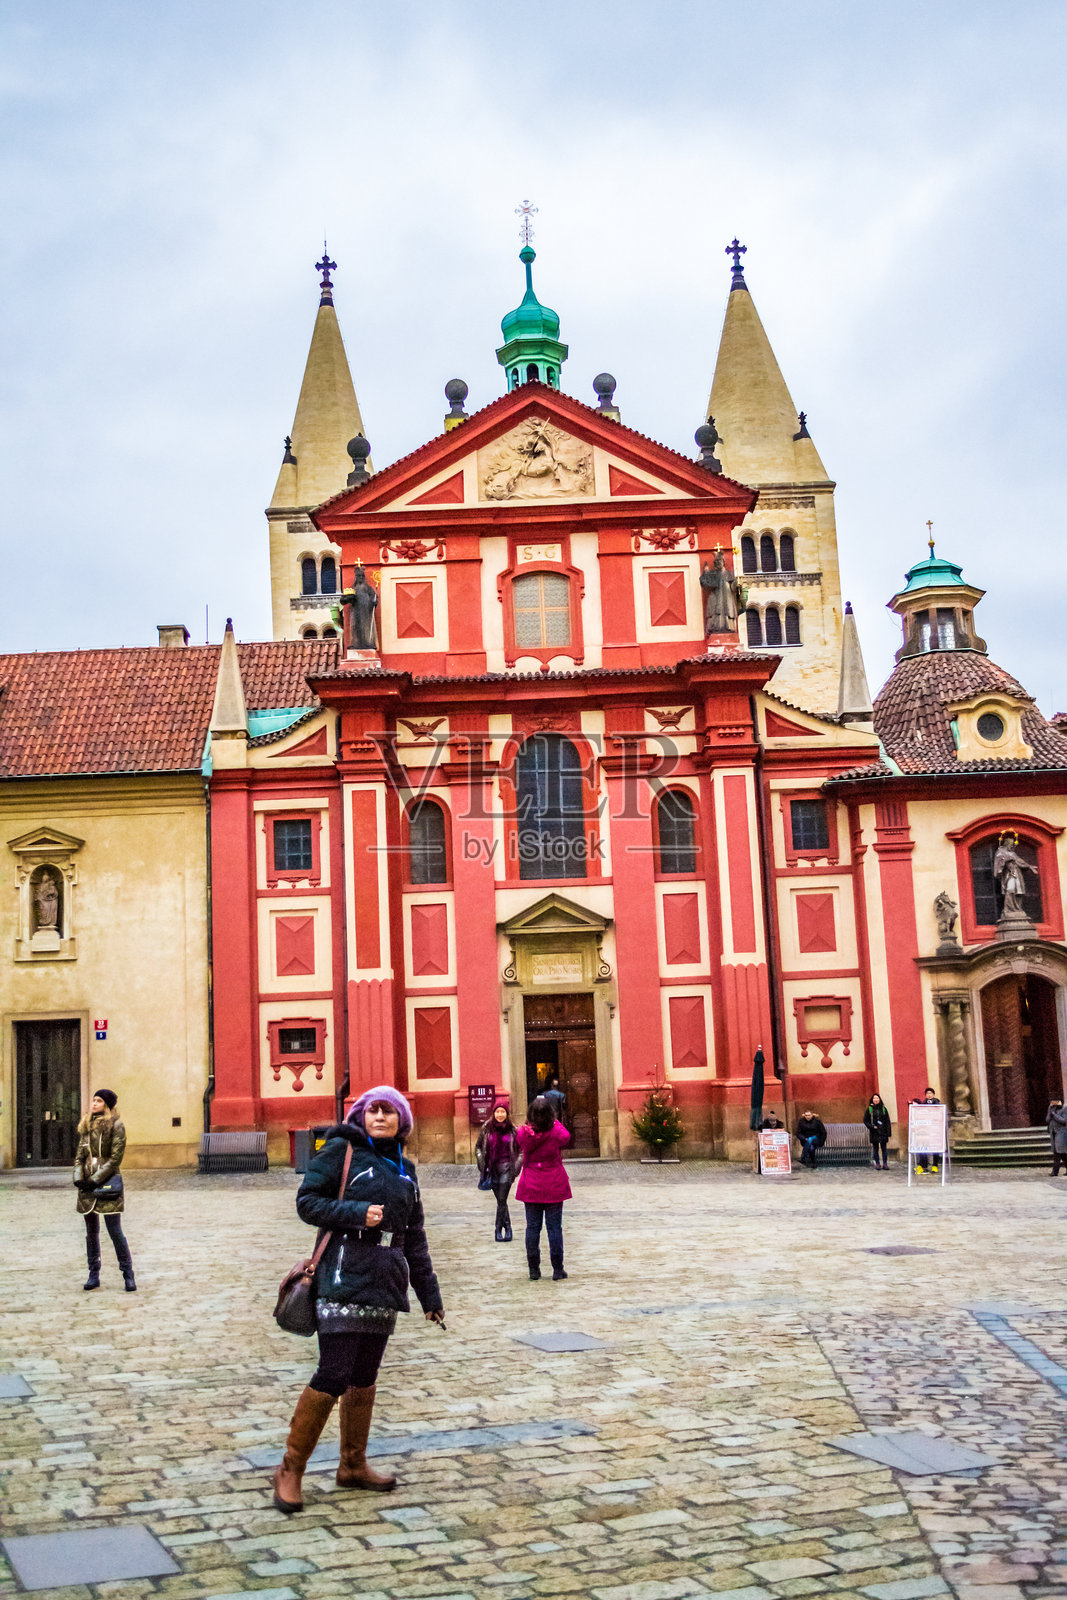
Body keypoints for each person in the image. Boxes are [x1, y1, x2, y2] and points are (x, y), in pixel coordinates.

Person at [273, 1085, 444, 1515]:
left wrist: (429, 1295)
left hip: (384, 1281)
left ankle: (352, 1464)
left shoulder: (406, 1169)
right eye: (373, 1110)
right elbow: (307, 1202)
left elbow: (415, 1237)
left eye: (389, 1111)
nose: (380, 1117)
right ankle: (291, 1468)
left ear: (401, 1121)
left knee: (364, 1375)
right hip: (340, 1273)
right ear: (361, 1116)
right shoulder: (340, 1152)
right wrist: (356, 1213)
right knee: (332, 1372)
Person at [74, 1090, 135, 1292]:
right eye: (93, 1100)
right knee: (91, 1233)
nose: (94, 1103)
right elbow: (79, 1157)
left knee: (114, 1230)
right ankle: (93, 1275)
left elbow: (115, 1158)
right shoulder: (86, 1126)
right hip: (87, 1186)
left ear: (107, 1104)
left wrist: (96, 1179)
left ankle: (128, 1274)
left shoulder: (117, 1126)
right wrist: (78, 1178)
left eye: (99, 1101)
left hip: (107, 1183)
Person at [515, 1096, 571, 1281]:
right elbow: (566, 1137)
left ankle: (534, 1270)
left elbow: (519, 1141)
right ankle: (557, 1269)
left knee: (532, 1228)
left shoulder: (523, 1133)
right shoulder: (555, 1132)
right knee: (554, 1228)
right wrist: (554, 1121)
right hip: (554, 1184)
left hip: (531, 1184)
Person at [475, 1100, 520, 1241]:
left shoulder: (513, 1129)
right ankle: (508, 1228)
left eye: (503, 1112)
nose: (500, 1114)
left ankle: (498, 1230)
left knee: (502, 1199)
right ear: (494, 1113)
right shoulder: (486, 1128)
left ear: (507, 1114)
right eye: (497, 1111)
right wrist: (481, 1162)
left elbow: (521, 1151)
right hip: (491, 1169)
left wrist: (516, 1168)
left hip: (507, 1168)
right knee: (501, 1201)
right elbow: (478, 1147)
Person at [911, 1086, 943, 1174]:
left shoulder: (937, 1102)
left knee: (935, 1147)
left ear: (933, 1094)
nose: (929, 1095)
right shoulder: (924, 1103)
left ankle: (935, 1165)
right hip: (925, 1129)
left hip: (935, 1129)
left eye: (930, 1093)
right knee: (924, 1148)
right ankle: (922, 1165)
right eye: (927, 1093)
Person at [864, 1094, 892, 1170]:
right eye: (874, 1098)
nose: (876, 1099)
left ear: (879, 1099)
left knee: (884, 1148)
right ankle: (877, 1164)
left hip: (883, 1131)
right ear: (872, 1100)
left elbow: (887, 1121)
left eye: (877, 1098)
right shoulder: (869, 1109)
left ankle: (885, 1164)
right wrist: (872, 1127)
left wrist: (888, 1132)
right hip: (874, 1132)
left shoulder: (884, 1109)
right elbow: (865, 1120)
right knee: (875, 1148)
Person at [1046, 1099, 1067, 1176]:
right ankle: (1055, 1171)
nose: (1053, 1103)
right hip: (1053, 1133)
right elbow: (1047, 1120)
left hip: (1061, 1133)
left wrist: (1054, 1114)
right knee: (1061, 1153)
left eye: (1055, 1101)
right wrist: (1050, 1111)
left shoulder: (1065, 1109)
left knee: (1057, 1153)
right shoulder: (1051, 1109)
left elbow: (1063, 1121)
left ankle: (1055, 1172)